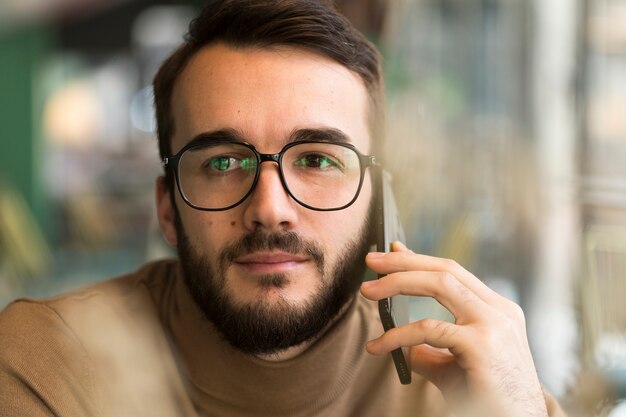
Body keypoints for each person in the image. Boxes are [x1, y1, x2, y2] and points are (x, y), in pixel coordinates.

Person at [0, 1, 566, 416]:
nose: (270, 209)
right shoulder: (45, 365)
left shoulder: (475, 387)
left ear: (379, 203)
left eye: (319, 160)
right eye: (222, 163)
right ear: (167, 209)